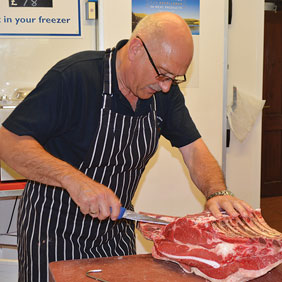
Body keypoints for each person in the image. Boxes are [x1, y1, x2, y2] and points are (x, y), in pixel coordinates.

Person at [0, 12, 253, 282]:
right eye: (162, 74)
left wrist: (217, 191)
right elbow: (8, 142)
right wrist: (73, 180)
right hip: (54, 231)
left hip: (115, 229)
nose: (166, 86)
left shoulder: (162, 93)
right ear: (135, 49)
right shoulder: (75, 77)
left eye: (175, 79)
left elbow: (193, 149)